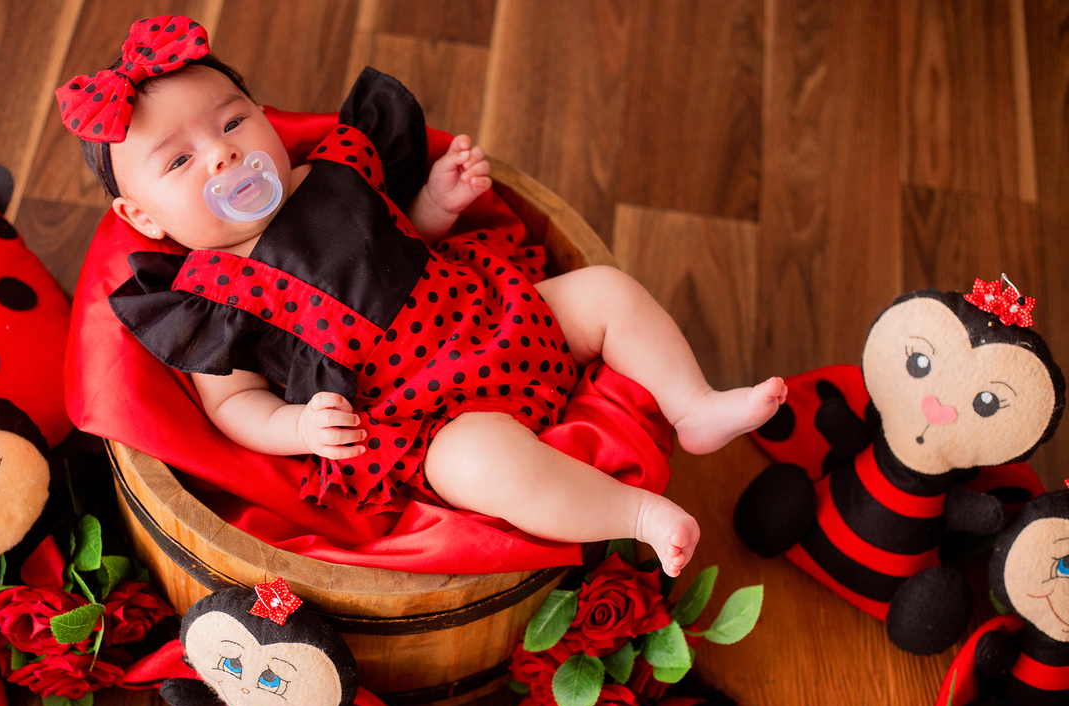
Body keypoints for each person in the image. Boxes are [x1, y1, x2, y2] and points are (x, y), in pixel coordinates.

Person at [57, 16, 787, 577]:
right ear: (143, 219)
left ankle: (692, 406)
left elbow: (404, 230)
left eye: (232, 121)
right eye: (180, 160)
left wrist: (441, 199)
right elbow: (232, 405)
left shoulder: (332, 172)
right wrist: (298, 428)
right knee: (480, 466)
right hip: (421, 413)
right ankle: (636, 513)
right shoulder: (210, 297)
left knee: (604, 292)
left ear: (263, 114)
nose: (223, 154)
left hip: (497, 315)